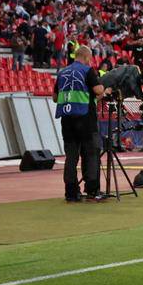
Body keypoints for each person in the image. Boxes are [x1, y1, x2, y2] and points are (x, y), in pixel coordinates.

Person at [55, 44, 108, 203]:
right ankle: (92, 191)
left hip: (67, 120)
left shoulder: (62, 72)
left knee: (71, 157)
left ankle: (71, 193)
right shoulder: (87, 70)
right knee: (91, 155)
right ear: (86, 57)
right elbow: (98, 90)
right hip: (85, 120)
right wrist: (105, 90)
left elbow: (55, 98)